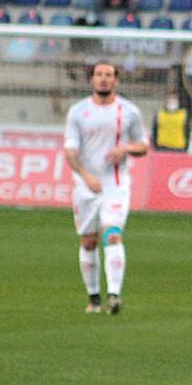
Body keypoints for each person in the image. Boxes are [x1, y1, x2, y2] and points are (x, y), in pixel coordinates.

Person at [63, 63, 147, 315]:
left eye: (108, 75)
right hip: (85, 185)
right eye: (99, 75)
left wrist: (126, 149)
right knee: (88, 241)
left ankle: (114, 295)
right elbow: (70, 151)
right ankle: (94, 298)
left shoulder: (129, 111)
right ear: (92, 80)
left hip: (115, 185)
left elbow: (143, 146)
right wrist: (86, 176)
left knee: (112, 234)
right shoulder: (78, 111)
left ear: (116, 81)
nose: (103, 79)